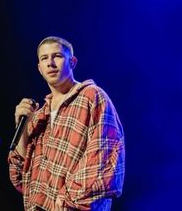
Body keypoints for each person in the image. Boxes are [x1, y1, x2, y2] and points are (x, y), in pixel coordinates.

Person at [8, 36, 125, 211]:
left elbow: (104, 156)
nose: (50, 63)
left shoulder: (92, 97)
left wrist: (65, 200)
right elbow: (21, 174)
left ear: (72, 62)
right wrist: (23, 128)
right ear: (39, 68)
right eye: (44, 58)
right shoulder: (39, 116)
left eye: (57, 56)